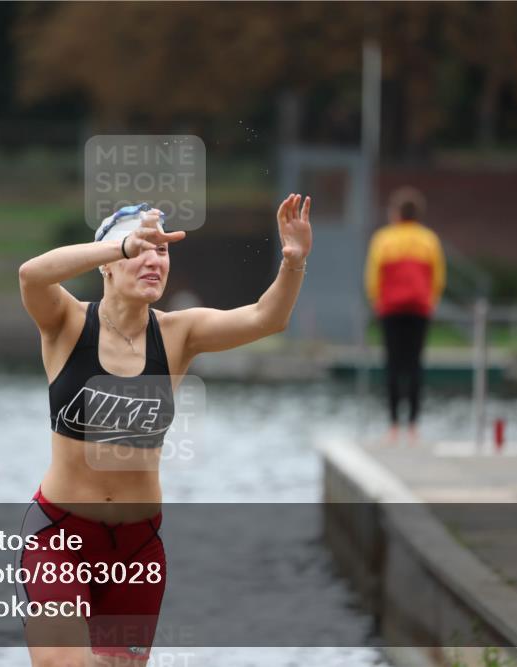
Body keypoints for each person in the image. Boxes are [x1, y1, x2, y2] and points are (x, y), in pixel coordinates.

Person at [17, 195, 312, 665]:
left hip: (137, 549)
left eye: (163, 250)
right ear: (108, 262)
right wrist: (122, 244)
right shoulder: (66, 322)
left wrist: (293, 261)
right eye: (141, 248)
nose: (153, 259)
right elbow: (31, 275)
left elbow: (267, 317)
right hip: (60, 536)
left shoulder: (178, 334)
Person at [364, 187, 446, 445]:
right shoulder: (429, 239)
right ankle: (413, 427)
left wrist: (376, 300)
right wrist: (432, 300)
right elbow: (438, 276)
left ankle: (393, 427)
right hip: (419, 309)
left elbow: (373, 275)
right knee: (415, 365)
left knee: (392, 364)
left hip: (390, 309)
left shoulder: (383, 239)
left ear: (397, 213)